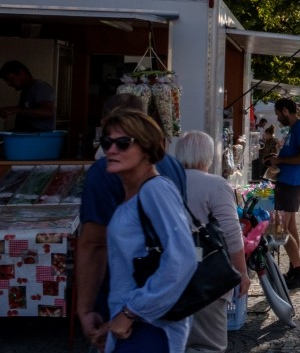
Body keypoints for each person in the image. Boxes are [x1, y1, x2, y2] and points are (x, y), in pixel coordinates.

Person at [76, 93, 188, 349]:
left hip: (148, 323)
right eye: (107, 142)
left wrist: (129, 313)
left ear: (146, 147)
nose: (111, 150)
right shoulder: (163, 172)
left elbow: (182, 258)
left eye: (123, 143)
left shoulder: (154, 188)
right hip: (135, 316)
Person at [170, 131, 250, 353]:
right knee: (207, 344)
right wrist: (241, 272)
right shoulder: (215, 185)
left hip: (169, 274)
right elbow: (231, 233)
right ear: (208, 156)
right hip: (206, 275)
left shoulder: (164, 183)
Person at [264, 98, 300, 290]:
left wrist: (281, 161)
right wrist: (278, 159)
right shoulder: (294, 128)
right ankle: (294, 268)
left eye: (278, 114)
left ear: (285, 110)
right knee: (289, 227)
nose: (277, 118)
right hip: (288, 182)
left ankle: (299, 272)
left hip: (290, 183)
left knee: (279, 228)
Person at [0, 60, 56, 131]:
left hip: (39, 136)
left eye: (11, 79)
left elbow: (48, 112)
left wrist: (16, 109)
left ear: (22, 73)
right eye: (7, 81)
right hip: (27, 134)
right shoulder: (26, 91)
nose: (9, 84)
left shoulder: (39, 87)